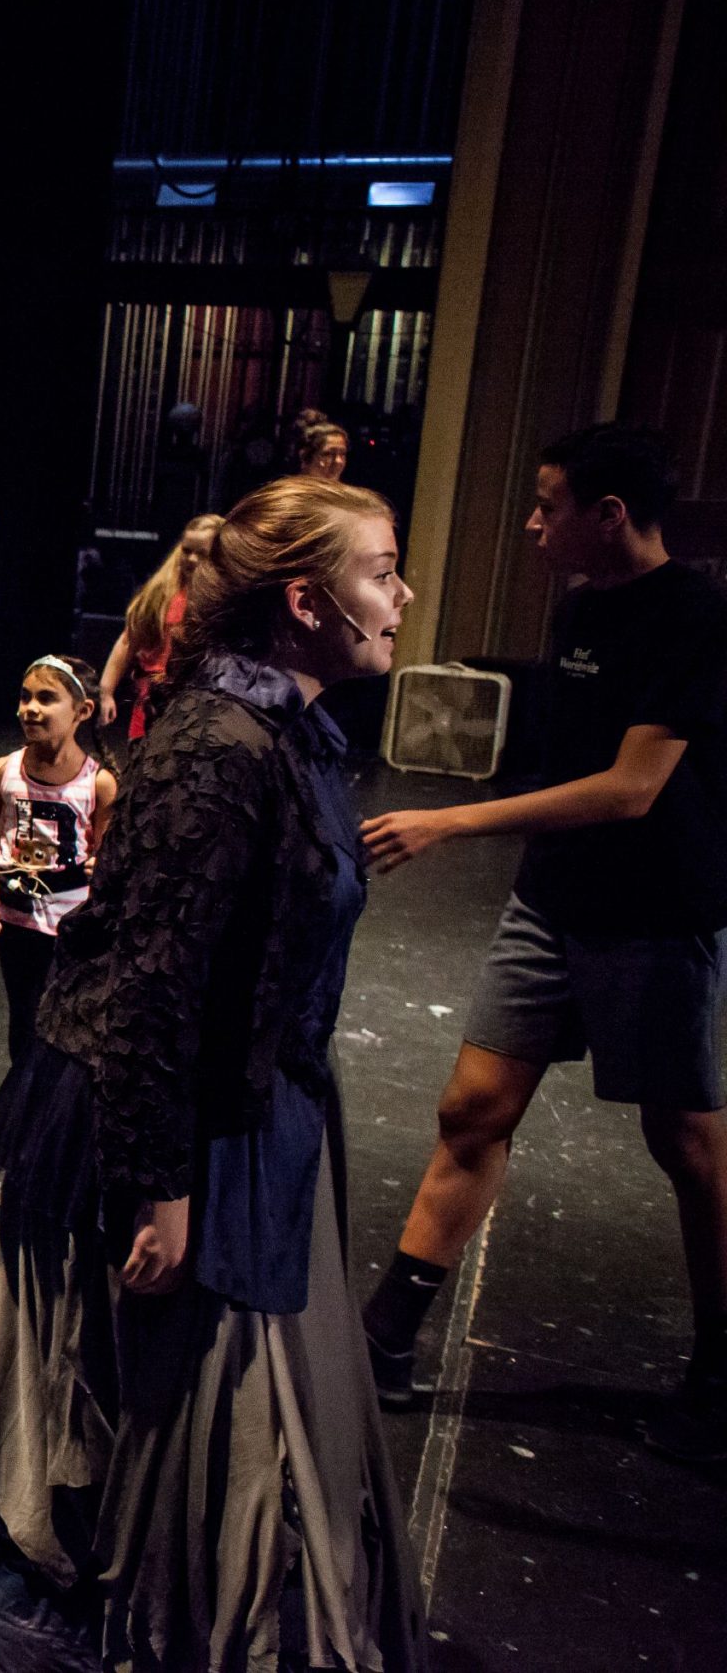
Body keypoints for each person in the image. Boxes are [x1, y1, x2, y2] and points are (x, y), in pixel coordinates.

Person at [0, 474, 423, 1673]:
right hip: (162, 1131)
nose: (400, 593)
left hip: (241, 1116)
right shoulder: (217, 750)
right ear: (303, 600)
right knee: (127, 1412)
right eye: (380, 569)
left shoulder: (281, 727)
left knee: (208, 1419)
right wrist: (161, 1187)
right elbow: (142, 990)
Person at [359, 423, 727, 1461]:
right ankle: (388, 1330)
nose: (530, 523)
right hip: (552, 904)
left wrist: (446, 821)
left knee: (685, 1141)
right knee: (472, 1108)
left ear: (607, 515)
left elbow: (631, 789)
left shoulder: (695, 618)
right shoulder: (578, 609)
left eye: (546, 503)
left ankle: (718, 1354)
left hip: (657, 914)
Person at [0, 656, 114, 1066]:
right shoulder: (3, 772)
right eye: (25, 697)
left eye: (47, 698)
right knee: (24, 1018)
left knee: (61, 1022)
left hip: (71, 922)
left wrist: (102, 865)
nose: (30, 708)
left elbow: (109, 855)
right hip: (16, 918)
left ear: (82, 711)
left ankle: (45, 1112)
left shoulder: (98, 783)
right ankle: (23, 1111)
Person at [97, 513, 221, 744]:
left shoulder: (222, 602)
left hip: (197, 711)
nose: (192, 559)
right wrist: (106, 692)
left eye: (201, 553)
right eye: (186, 550)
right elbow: (128, 641)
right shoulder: (162, 594)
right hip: (150, 706)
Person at [293, 407, 349, 481]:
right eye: (328, 454)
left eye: (342, 454)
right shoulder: (288, 491)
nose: (339, 461)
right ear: (304, 456)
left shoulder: (344, 492)